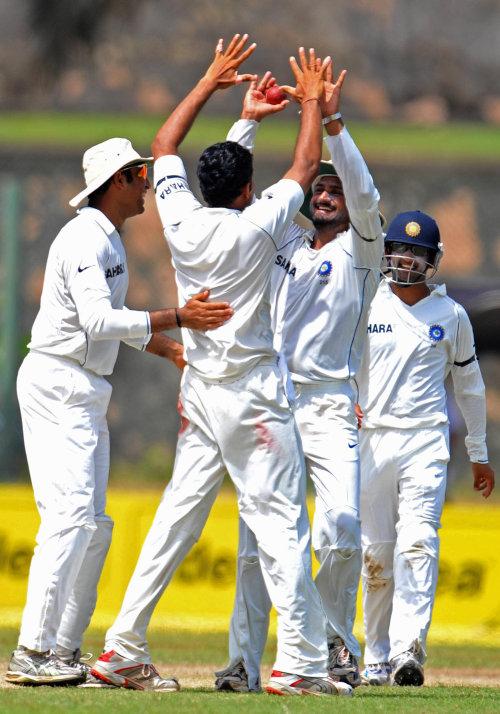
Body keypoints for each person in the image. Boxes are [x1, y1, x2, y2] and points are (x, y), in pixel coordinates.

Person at [90, 35, 353, 697]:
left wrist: (215, 86)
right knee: (282, 524)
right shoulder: (253, 227)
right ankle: (297, 664)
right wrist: (313, 104)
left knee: (178, 517)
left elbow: (163, 142)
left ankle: (122, 646)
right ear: (246, 191)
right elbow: (307, 164)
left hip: (202, 391)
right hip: (252, 396)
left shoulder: (180, 216)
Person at [5, 138, 233, 686]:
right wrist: (178, 317)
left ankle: (62, 650)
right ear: (116, 183)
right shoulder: (86, 239)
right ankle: (31, 652)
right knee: (69, 520)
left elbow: (114, 321)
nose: (147, 184)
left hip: (83, 386)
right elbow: (98, 323)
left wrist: (170, 349)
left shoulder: (107, 237)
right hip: (59, 382)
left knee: (96, 526)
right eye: (138, 175)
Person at [214, 60, 384, 693]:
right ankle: (241, 661)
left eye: (333, 190)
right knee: (259, 538)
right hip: (271, 400)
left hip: (331, 401)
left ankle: (335, 644)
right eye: (319, 188)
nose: (324, 195)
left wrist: (332, 122)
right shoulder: (281, 240)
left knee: (339, 525)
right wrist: (249, 122)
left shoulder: (361, 250)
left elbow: (366, 195)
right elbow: (232, 197)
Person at [355, 210, 495, 686]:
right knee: (376, 552)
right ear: (385, 253)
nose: (406, 259)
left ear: (432, 261)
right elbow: (336, 364)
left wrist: (479, 454)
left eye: (416, 253)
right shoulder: (366, 303)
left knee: (418, 543)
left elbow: (470, 387)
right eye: (398, 250)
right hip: (372, 439)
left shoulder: (450, 314)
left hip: (426, 443)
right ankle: (373, 654)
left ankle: (407, 651)